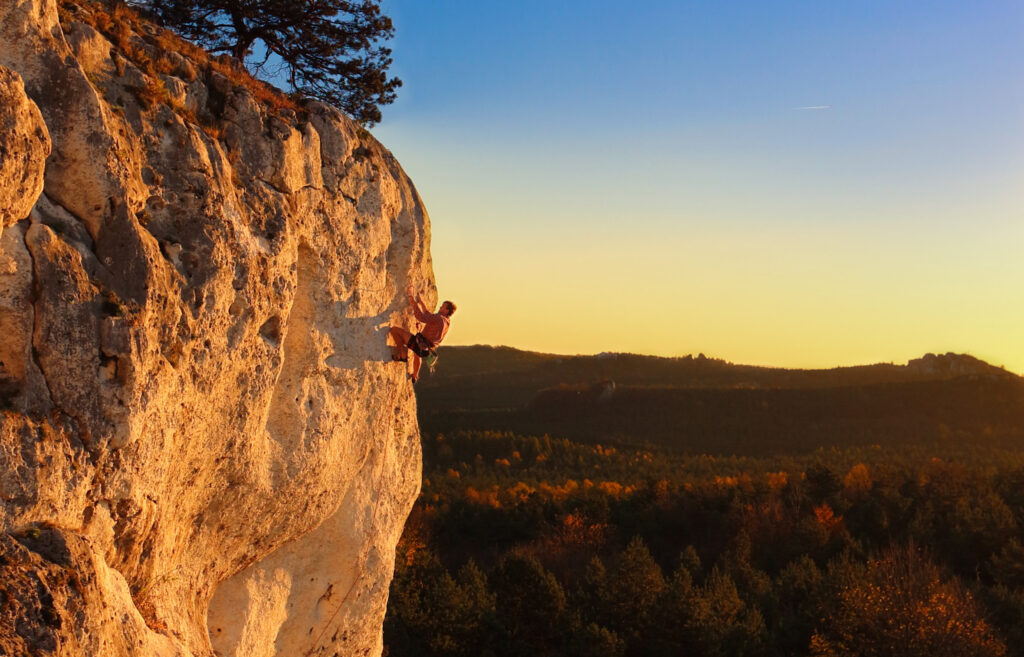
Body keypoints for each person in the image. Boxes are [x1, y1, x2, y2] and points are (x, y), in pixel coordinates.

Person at [389, 290, 456, 383]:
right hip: (426, 349)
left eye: (442, 307)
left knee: (394, 330)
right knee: (417, 355)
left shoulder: (439, 318)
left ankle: (402, 354)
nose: (440, 307)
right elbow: (428, 315)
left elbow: (421, 316)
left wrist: (411, 299)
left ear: (446, 310)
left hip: (419, 344)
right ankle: (415, 375)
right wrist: (421, 303)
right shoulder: (447, 322)